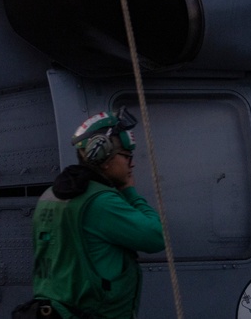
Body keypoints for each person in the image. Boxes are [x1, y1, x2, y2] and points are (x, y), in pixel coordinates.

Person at [27, 108, 164, 319]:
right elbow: (156, 237)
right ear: (103, 153)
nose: (132, 163)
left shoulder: (49, 196)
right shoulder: (101, 202)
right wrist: (130, 191)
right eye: (126, 156)